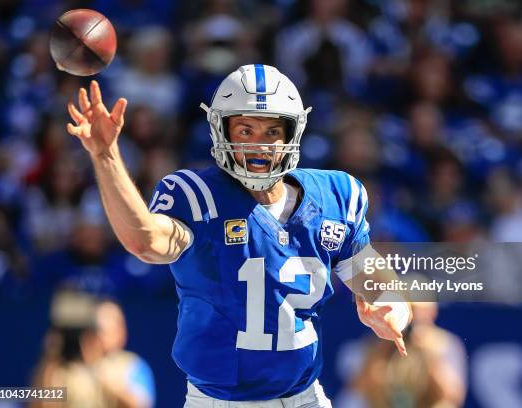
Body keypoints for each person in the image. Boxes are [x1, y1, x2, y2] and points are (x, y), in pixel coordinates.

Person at [65, 64, 410, 406]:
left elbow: (381, 287)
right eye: (245, 130)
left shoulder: (335, 195)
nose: (258, 146)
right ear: (222, 132)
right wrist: (106, 156)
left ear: (292, 134)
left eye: (271, 131)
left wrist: (392, 310)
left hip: (306, 398)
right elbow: (146, 240)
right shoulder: (196, 196)